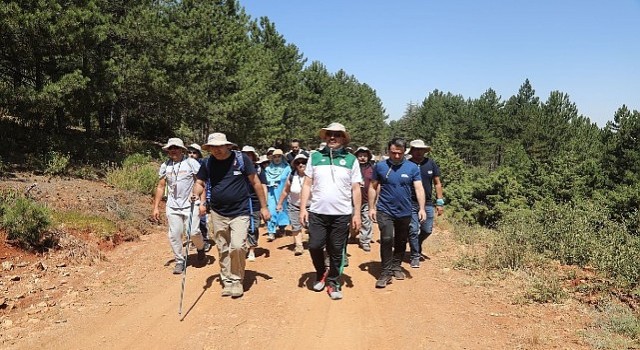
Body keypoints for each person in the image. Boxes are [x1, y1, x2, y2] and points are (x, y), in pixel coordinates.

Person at [193, 133, 270, 298]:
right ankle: (227, 280)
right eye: (213, 147)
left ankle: (237, 279)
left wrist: (264, 207)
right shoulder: (208, 162)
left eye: (220, 146)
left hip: (240, 211)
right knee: (222, 247)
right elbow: (200, 182)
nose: (217, 150)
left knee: (237, 246)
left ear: (228, 146)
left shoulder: (241, 159)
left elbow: (256, 182)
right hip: (217, 212)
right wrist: (195, 194)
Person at [300, 122, 362, 300]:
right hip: (318, 212)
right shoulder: (316, 157)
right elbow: (307, 184)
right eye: (329, 134)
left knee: (336, 250)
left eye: (337, 134)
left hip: (341, 214)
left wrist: (356, 213)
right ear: (325, 137)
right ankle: (321, 273)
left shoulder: (351, 159)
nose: (332, 137)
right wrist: (303, 208)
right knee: (314, 246)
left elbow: (356, 188)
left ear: (343, 138)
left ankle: (334, 282)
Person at [368, 137, 426, 289]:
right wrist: (371, 207)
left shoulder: (412, 167)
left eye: (400, 153)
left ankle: (396, 265)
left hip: (405, 211)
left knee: (401, 240)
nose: (396, 156)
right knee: (387, 238)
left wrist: (421, 208)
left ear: (404, 152)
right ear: (389, 151)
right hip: (385, 209)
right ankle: (385, 272)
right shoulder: (380, 167)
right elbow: (373, 187)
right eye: (393, 153)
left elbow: (419, 188)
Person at [152, 138, 206, 274]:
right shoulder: (165, 166)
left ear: (182, 149)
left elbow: (200, 182)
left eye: (176, 147)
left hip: (191, 204)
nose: (173, 150)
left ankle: (201, 248)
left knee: (193, 232)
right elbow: (161, 186)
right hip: (173, 205)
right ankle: (180, 261)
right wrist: (156, 207)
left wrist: (202, 202)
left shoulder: (191, 163)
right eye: (170, 148)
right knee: (174, 234)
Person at [407, 140, 444, 268]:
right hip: (410, 202)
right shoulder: (407, 164)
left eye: (421, 149)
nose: (418, 152)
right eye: (416, 149)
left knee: (427, 230)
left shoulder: (430, 164)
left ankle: (416, 243)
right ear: (411, 151)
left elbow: (437, 183)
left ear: (424, 151)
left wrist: (440, 202)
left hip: (428, 203)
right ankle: (415, 256)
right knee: (412, 229)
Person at [276, 153, 309, 256]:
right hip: (294, 205)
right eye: (298, 163)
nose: (301, 165)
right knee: (295, 226)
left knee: (312, 227)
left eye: (303, 162)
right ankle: (299, 246)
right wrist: (280, 203)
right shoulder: (291, 176)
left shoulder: (312, 176)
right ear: (294, 164)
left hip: (311, 206)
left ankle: (314, 243)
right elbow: (285, 191)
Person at [241, 145, 267, 262]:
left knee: (253, 226)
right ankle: (242, 248)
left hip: (255, 201)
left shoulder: (259, 169)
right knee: (242, 226)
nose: (247, 156)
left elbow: (263, 186)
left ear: (253, 156)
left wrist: (264, 206)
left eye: (249, 154)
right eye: (245, 154)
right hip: (241, 201)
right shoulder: (238, 169)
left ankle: (251, 249)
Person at [187, 143, 212, 253]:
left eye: (194, 153)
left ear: (199, 154)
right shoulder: (184, 165)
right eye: (189, 152)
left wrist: (206, 198)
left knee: (202, 219)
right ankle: (196, 241)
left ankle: (205, 240)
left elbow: (206, 182)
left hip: (204, 195)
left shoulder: (203, 164)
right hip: (190, 197)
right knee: (191, 220)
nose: (191, 155)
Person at [264, 149, 291, 241]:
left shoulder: (287, 168)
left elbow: (289, 181)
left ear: (282, 157)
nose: (277, 159)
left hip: (283, 192)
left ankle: (282, 228)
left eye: (279, 156)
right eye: (275, 157)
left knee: (282, 211)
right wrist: (271, 183)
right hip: (271, 192)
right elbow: (265, 181)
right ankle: (271, 232)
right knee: (271, 210)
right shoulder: (267, 169)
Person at [354, 146, 374, 252]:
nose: (362, 158)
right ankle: (353, 234)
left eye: (365, 156)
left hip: (367, 199)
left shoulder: (373, 168)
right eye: (360, 156)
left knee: (367, 220)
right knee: (351, 221)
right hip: (352, 199)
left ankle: (365, 241)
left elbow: (376, 184)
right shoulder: (351, 167)